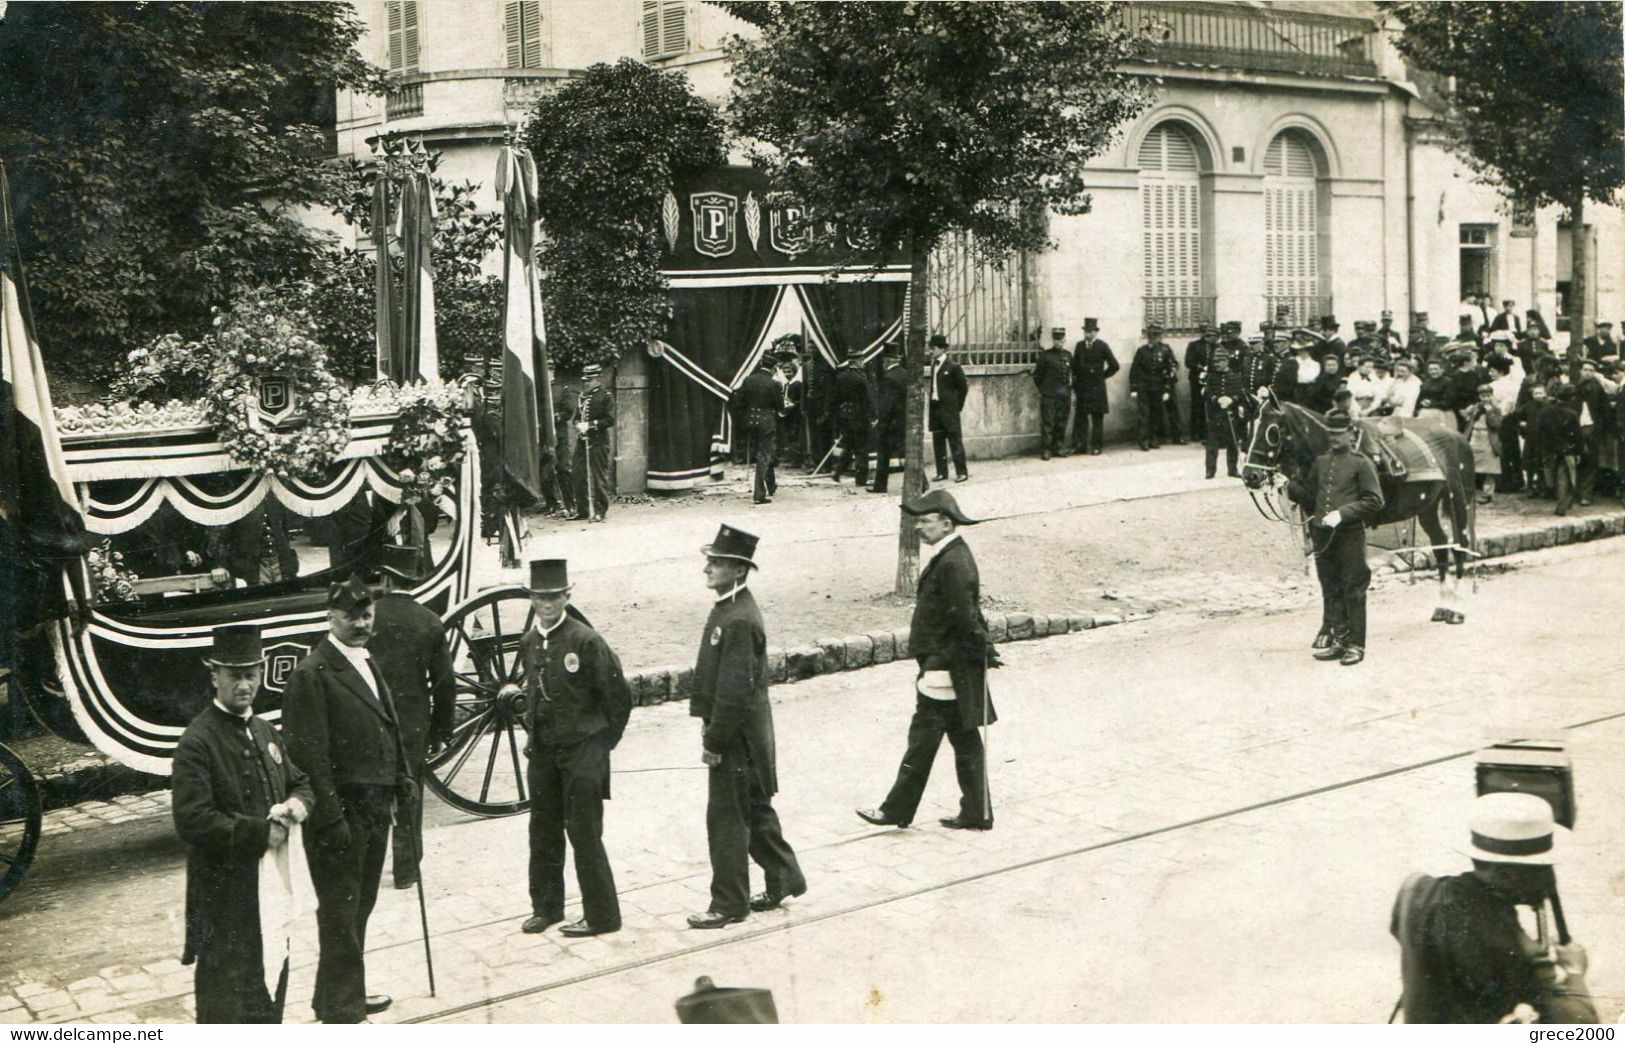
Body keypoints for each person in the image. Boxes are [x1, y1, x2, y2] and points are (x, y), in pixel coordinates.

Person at [281, 576, 410, 1023]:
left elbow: (385, 725)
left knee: (361, 904)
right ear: (330, 616)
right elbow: (307, 758)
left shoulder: (365, 662)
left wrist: (401, 779)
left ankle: (338, 994)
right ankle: (343, 1009)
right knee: (341, 909)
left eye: (367, 614)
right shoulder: (312, 673)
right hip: (343, 815)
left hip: (375, 808)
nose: (361, 623)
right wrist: (332, 819)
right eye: (351, 615)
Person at [172, 624, 313, 1024]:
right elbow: (192, 819)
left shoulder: (266, 731)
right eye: (234, 675)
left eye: (251, 674)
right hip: (224, 897)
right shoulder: (197, 741)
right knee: (225, 1001)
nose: (244, 684)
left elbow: (298, 780)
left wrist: (299, 803)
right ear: (214, 674)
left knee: (270, 986)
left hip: (268, 890)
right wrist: (259, 833)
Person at [856, 490, 998, 831]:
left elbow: (964, 618)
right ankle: (977, 811)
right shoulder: (951, 554)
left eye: (924, 521)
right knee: (964, 740)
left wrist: (943, 661)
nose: (918, 527)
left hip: (944, 670)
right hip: (951, 668)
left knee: (922, 741)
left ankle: (896, 810)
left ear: (945, 523)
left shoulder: (952, 561)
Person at [1390, 791, 1597, 1024]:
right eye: (1541, 867)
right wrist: (1575, 973)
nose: (1547, 875)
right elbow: (1582, 1027)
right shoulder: (1519, 952)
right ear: (1509, 874)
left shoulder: (1416, 890)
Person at [688, 525, 806, 928]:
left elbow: (733, 692)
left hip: (736, 737)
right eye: (709, 560)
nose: (707, 567)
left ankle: (728, 903)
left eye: (716, 562)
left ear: (738, 571)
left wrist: (714, 741)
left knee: (726, 819)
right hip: (748, 735)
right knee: (754, 810)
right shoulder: (731, 606)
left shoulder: (737, 618)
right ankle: (785, 877)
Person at [519, 559, 632, 937]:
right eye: (540, 597)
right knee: (543, 830)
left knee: (583, 832)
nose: (547, 604)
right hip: (545, 752)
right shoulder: (530, 641)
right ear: (531, 599)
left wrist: (599, 746)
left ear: (567, 596)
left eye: (554, 597)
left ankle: (602, 916)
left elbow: (618, 697)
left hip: (583, 751)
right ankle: (547, 907)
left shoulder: (586, 640)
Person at [368, 544, 455, 891]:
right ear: (413, 581)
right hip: (412, 720)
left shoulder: (368, 615)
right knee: (409, 793)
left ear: (386, 580)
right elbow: (445, 684)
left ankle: (368, 867)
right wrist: (440, 730)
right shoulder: (430, 622)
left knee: (371, 791)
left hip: (371, 718)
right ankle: (406, 869)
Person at [1284, 409, 1383, 666]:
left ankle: (1356, 645)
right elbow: (1309, 496)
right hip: (1322, 534)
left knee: (1353, 588)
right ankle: (1339, 640)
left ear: (1350, 433)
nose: (1335, 439)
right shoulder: (1321, 462)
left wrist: (1343, 513)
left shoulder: (1362, 463)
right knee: (1330, 587)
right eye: (1331, 434)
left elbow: (1375, 501)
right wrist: (1286, 485)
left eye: (1340, 434)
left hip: (1348, 534)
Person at [571, 363, 615, 522]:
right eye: (585, 381)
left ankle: (600, 510)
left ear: (598, 380)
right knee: (577, 473)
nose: (586, 383)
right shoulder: (582, 397)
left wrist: (589, 425)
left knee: (598, 477)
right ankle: (583, 509)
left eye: (589, 380)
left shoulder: (605, 396)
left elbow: (610, 420)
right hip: (582, 441)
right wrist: (577, 425)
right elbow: (576, 417)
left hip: (598, 441)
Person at [1070, 318, 1119, 456]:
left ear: (1096, 332)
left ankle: (1097, 446)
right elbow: (1074, 367)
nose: (1088, 334)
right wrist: (1076, 384)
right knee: (1081, 418)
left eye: (1091, 332)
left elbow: (1115, 365)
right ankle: (1080, 446)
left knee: (1097, 419)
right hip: (1083, 388)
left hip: (1097, 389)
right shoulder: (1079, 346)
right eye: (1086, 332)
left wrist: (1102, 376)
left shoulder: (1102, 346)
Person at [1201, 327, 1245, 479]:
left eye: (1220, 361)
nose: (1217, 364)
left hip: (1231, 415)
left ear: (1226, 361)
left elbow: (1240, 394)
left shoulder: (1235, 377)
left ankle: (1232, 469)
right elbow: (1207, 393)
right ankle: (1210, 470)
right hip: (1215, 414)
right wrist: (1216, 399)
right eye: (1216, 361)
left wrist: (1231, 399)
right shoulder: (1211, 378)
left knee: (1232, 443)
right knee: (1212, 444)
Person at [738, 355, 782, 505]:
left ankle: (771, 485)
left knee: (764, 452)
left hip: (750, 421)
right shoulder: (774, 384)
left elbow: (740, 402)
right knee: (764, 454)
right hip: (766, 421)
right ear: (774, 368)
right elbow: (780, 407)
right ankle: (759, 494)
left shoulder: (748, 380)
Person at [1129, 321, 1178, 450]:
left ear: (1160, 336)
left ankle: (1153, 439)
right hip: (1144, 387)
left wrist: (1167, 388)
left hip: (1159, 387)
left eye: (1156, 335)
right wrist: (1134, 388)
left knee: (1156, 414)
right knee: (1143, 414)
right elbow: (1134, 370)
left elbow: (1171, 368)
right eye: (1151, 335)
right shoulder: (1141, 351)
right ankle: (1143, 440)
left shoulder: (1165, 350)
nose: (1153, 338)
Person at [829, 348, 874, 487]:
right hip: (859, 416)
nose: (863, 363)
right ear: (857, 361)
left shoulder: (841, 377)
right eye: (862, 361)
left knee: (848, 446)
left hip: (845, 416)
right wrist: (873, 416)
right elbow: (869, 399)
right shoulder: (861, 378)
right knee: (861, 448)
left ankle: (837, 472)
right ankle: (861, 479)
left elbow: (834, 398)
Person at [927, 334, 969, 482]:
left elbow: (963, 388)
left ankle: (961, 472)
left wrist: (957, 406)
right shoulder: (934, 366)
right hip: (935, 409)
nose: (930, 351)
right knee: (938, 442)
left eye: (933, 348)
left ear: (941, 349)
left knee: (954, 440)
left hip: (949, 410)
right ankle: (942, 472)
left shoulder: (953, 367)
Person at [1537, 385, 1583, 515]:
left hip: (1549, 449)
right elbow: (1577, 435)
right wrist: (1578, 451)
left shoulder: (1544, 412)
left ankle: (1559, 499)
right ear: (1571, 398)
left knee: (1550, 476)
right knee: (1564, 477)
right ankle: (1562, 505)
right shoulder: (1572, 414)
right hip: (1566, 449)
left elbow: (1539, 433)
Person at [870, 340, 908, 493]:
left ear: (886, 360)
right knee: (908, 454)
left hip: (890, 424)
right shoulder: (906, 374)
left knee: (883, 455)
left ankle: (880, 486)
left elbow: (887, 404)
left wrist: (881, 422)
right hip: (903, 421)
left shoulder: (888, 377)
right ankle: (922, 483)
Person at [1031, 326, 1073, 460]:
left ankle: (1058, 447)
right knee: (1048, 423)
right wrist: (1043, 391)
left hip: (1064, 395)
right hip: (1049, 395)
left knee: (1062, 421)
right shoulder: (1045, 356)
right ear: (1053, 340)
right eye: (1056, 340)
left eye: (1061, 340)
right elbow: (1037, 376)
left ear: (1065, 339)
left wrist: (1069, 389)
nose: (1058, 342)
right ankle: (1046, 450)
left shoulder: (1068, 355)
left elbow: (1073, 374)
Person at [1463, 384, 1503, 504]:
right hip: (1475, 437)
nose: (1485, 399)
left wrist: (1489, 411)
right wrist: (1470, 413)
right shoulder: (1475, 408)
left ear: (1492, 396)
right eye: (1482, 396)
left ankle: (1488, 494)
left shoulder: (1496, 409)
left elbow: (1496, 425)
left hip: (1488, 439)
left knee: (1490, 468)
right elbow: (1467, 419)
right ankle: (1469, 492)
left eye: (1488, 396)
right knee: (1471, 465)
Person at [1270, 330, 1320, 407]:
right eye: (1299, 350)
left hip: (1302, 400)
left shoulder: (1314, 364)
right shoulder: (1291, 361)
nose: (1300, 352)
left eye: (1304, 350)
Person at [773, 354, 805, 469]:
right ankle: (788, 457)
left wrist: (793, 405)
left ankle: (796, 460)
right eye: (785, 371)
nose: (787, 374)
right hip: (787, 413)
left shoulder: (797, 385)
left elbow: (801, 400)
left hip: (794, 414)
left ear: (794, 372)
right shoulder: (786, 384)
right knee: (787, 435)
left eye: (789, 371)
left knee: (794, 435)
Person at [1183, 323, 1214, 442]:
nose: (1206, 333)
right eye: (1204, 331)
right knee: (1197, 405)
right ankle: (1196, 432)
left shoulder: (1214, 345)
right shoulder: (1194, 345)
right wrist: (1200, 367)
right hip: (1197, 379)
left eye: (1208, 331)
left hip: (1211, 379)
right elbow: (1188, 361)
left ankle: (1208, 431)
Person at [1413, 358, 1457, 431]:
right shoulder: (1426, 382)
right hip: (1425, 414)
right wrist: (1421, 403)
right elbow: (1420, 398)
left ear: (1442, 370)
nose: (1433, 372)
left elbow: (1448, 402)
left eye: (1436, 369)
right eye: (1431, 370)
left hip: (1442, 414)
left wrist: (1432, 403)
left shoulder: (1448, 382)